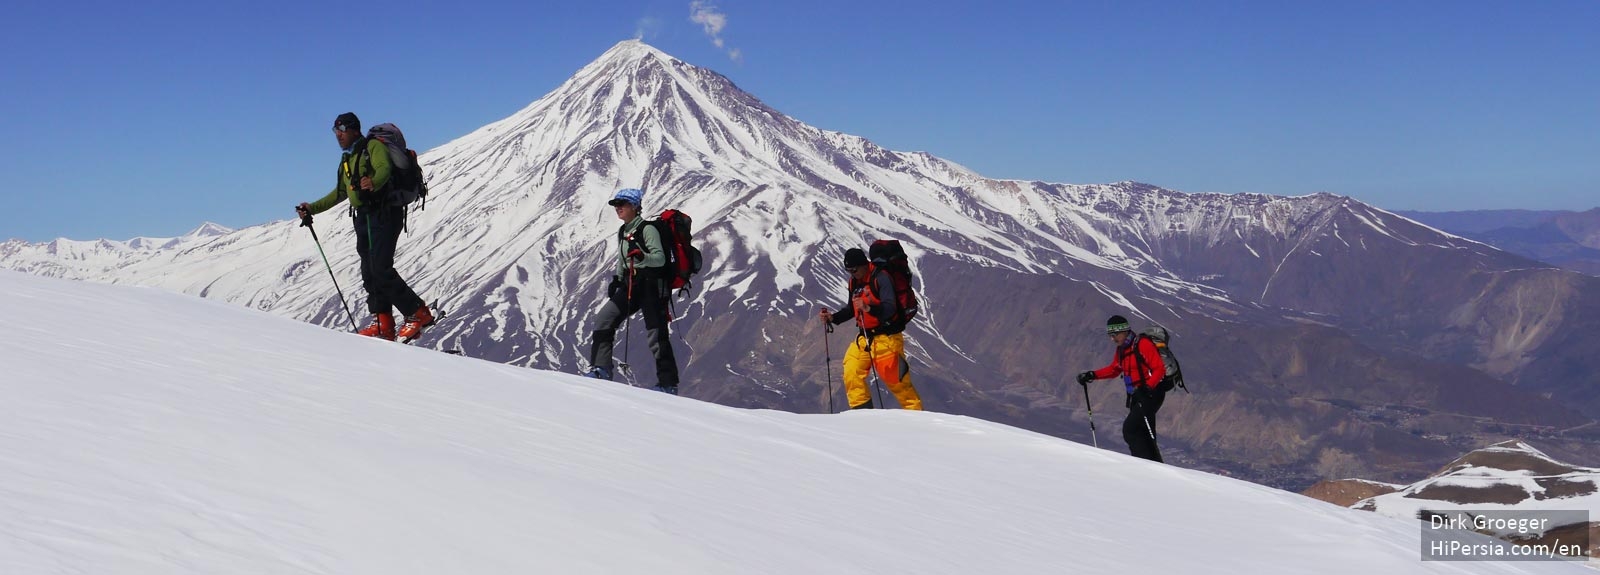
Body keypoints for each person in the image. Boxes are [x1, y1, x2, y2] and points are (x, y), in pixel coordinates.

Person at [295, 112, 433, 341]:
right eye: (335, 131)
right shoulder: (347, 159)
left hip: (385, 213)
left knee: (381, 268)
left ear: (353, 130)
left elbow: (384, 169)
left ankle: (418, 313)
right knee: (369, 272)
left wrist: (373, 182)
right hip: (364, 217)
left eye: (341, 130)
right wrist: (312, 208)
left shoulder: (372, 147)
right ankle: (383, 323)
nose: (338, 135)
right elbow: (341, 192)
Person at [585, 187, 681, 395]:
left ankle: (667, 383)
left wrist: (642, 259)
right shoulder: (624, 230)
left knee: (656, 333)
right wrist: (618, 279)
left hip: (652, 286)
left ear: (635, 207)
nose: (618, 208)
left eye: (623, 204)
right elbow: (622, 258)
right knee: (604, 319)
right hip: (632, 284)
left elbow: (660, 259)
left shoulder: (648, 230)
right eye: (616, 205)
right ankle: (601, 369)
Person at [818, 247, 924, 410]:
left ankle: (920, 422)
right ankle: (863, 419)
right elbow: (852, 309)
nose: (852, 274)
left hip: (887, 339)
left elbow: (890, 309)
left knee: (899, 385)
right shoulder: (854, 282)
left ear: (864, 264)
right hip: (865, 338)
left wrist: (869, 309)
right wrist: (833, 318)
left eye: (854, 270)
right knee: (851, 372)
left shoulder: (881, 277)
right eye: (848, 271)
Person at [1077, 315, 1166, 462]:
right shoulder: (1122, 350)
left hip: (1151, 394)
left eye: (1115, 334)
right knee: (1143, 433)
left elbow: (1159, 369)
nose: (1113, 339)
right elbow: (1114, 369)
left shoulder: (1142, 344)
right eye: (1110, 335)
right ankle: (1154, 465)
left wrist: (1148, 388)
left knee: (1130, 430)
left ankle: (1144, 465)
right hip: (1137, 396)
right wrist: (1092, 375)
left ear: (1124, 331)